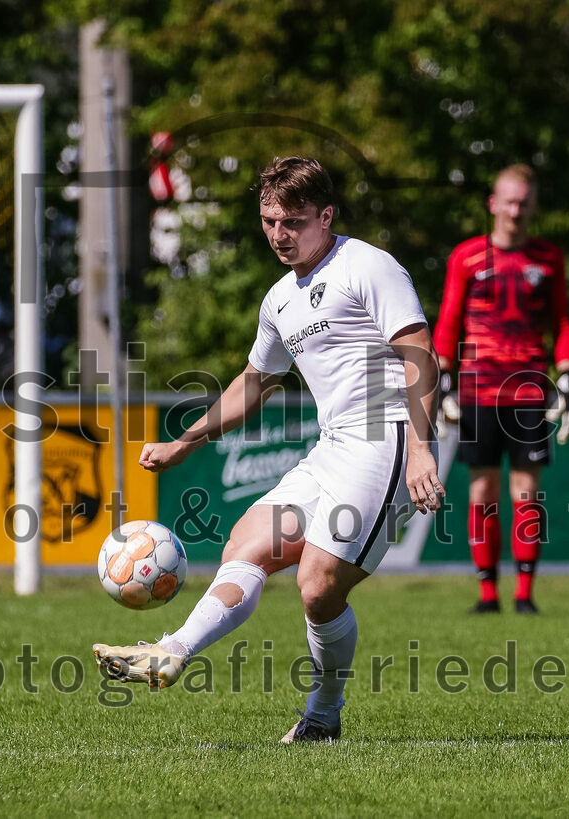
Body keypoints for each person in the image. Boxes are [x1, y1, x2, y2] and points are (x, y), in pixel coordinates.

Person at [94, 156, 442, 743]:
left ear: (326, 215)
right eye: (268, 221)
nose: (279, 234)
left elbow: (419, 354)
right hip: (332, 449)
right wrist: (185, 442)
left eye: (293, 221)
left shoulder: (369, 267)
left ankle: (323, 716)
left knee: (316, 585)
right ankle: (171, 651)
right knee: (246, 543)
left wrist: (423, 450)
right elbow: (254, 383)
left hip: (386, 444)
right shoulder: (280, 299)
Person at [434, 164, 569, 615]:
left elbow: (562, 321)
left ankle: (524, 593)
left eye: (524, 201)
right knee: (482, 492)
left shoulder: (548, 258)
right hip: (477, 389)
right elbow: (449, 321)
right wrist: (442, 382)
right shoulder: (466, 257)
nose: (516, 209)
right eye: (509, 200)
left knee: (526, 492)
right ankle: (488, 593)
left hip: (530, 391)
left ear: (533, 205)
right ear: (493, 203)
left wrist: (568, 378)